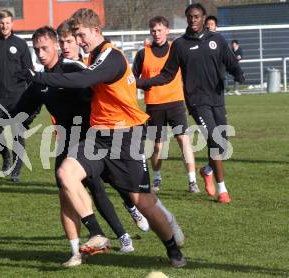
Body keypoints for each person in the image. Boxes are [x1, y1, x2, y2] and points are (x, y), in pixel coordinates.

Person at [17, 8, 187, 267]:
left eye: (81, 35)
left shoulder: (111, 56)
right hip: (98, 137)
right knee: (66, 174)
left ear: (96, 31)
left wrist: (38, 76)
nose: (79, 40)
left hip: (125, 137)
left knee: (143, 203)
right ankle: (97, 233)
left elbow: (86, 78)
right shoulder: (94, 57)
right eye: (75, 35)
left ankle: (173, 249)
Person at [140, 3, 245, 204]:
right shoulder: (180, 45)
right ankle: (222, 190)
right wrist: (143, 83)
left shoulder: (217, 40)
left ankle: (207, 170)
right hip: (196, 102)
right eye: (190, 17)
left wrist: (239, 74)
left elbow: (230, 62)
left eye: (197, 17)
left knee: (222, 144)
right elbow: (167, 74)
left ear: (204, 18)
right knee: (214, 140)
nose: (193, 20)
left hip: (217, 99)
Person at [133, 16, 199, 194]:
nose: (157, 33)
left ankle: (192, 181)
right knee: (157, 146)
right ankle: (157, 177)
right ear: (150, 32)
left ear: (167, 31)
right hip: (154, 106)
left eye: (160, 30)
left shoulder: (175, 50)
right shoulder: (142, 54)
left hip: (176, 103)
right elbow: (132, 79)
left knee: (183, 139)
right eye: (153, 30)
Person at [0, 9, 35, 182]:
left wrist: (32, 93)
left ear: (12, 23)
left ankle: (16, 171)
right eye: (2, 23)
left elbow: (29, 70)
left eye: (8, 23)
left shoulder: (20, 44)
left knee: (18, 134)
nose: (5, 26)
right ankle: (6, 156)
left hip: (18, 96)